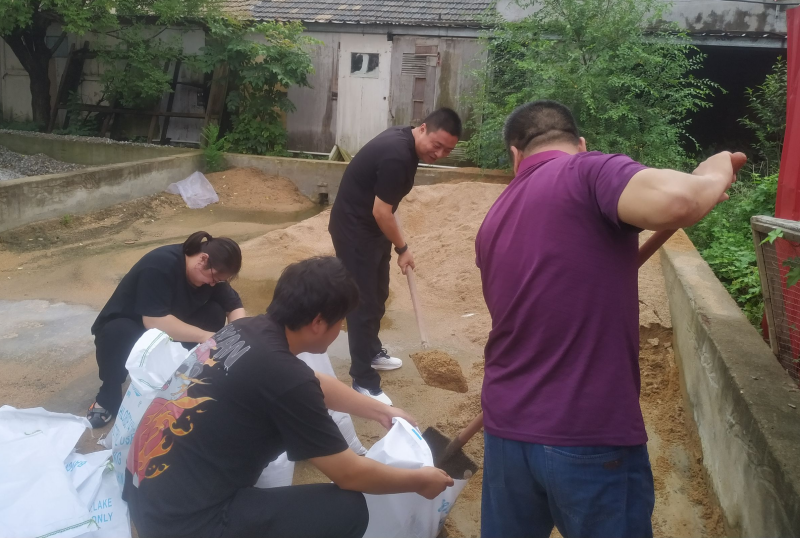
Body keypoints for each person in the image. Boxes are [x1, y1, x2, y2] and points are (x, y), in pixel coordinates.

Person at [475, 100, 746, 538]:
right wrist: (711, 175)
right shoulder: (587, 171)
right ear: (581, 144)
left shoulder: (495, 216)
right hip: (586, 432)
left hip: (506, 430)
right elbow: (678, 200)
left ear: (514, 155)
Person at [123, 256, 454, 538]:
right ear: (318, 322)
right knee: (347, 508)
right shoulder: (285, 378)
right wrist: (418, 481)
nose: (340, 329)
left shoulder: (245, 329)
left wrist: (381, 411)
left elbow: (313, 382)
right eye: (340, 322)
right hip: (184, 524)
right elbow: (350, 474)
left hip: (146, 491)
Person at [329, 108, 462, 405]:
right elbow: (382, 212)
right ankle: (362, 378)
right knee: (362, 302)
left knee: (378, 293)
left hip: (373, 229)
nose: (439, 154)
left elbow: (384, 204)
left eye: (447, 150)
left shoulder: (406, 139)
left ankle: (371, 351)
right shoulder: (397, 156)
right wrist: (403, 249)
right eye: (437, 145)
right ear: (423, 128)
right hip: (355, 230)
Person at [86, 231, 246, 428]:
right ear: (203, 259)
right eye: (213, 278)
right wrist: (208, 337)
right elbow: (153, 320)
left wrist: (239, 337)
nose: (213, 283)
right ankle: (108, 394)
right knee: (117, 331)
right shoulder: (160, 265)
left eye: (218, 281)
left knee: (214, 311)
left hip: (169, 326)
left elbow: (234, 305)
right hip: (134, 327)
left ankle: (183, 378)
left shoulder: (211, 274)